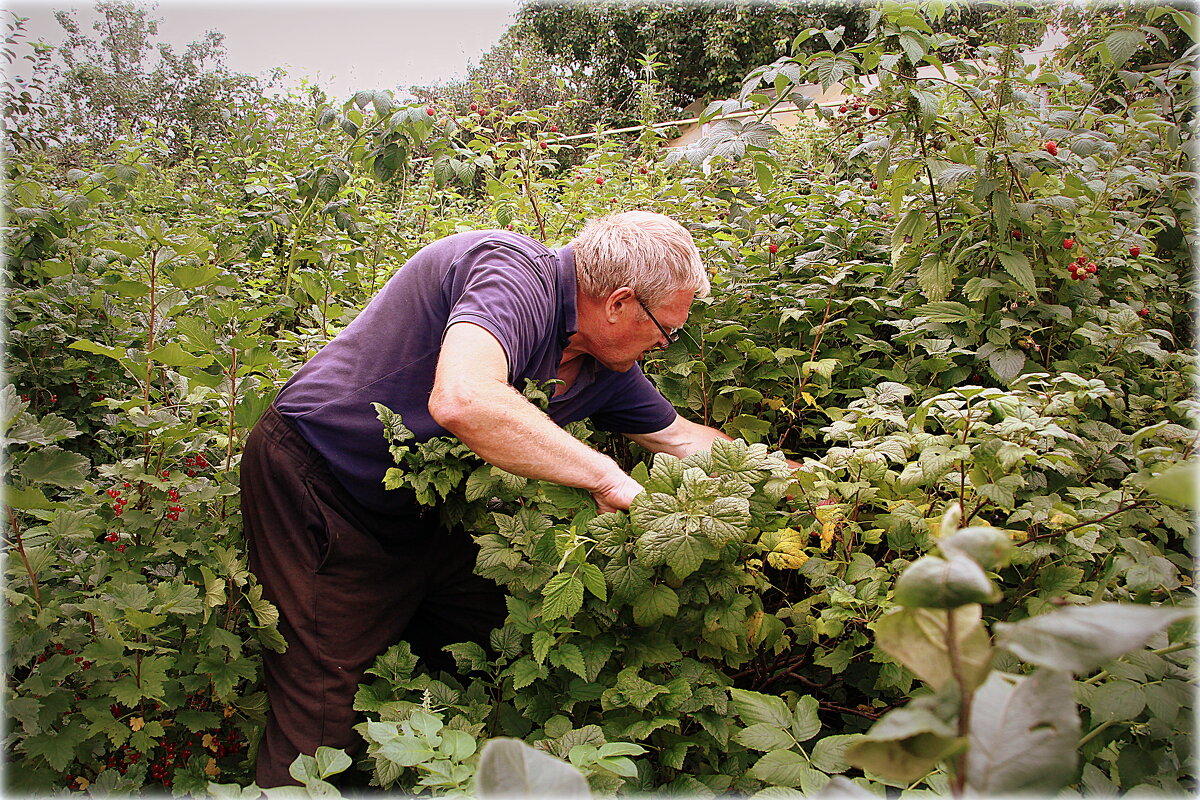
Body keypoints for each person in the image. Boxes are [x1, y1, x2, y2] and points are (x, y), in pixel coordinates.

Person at [240, 211, 740, 787]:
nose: (664, 343)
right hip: (318, 480)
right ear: (619, 302)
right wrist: (604, 476)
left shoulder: (603, 366)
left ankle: (435, 760)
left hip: (425, 506)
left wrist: (792, 477)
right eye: (665, 328)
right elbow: (465, 400)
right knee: (322, 710)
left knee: (492, 632)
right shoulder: (508, 273)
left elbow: (679, 437)